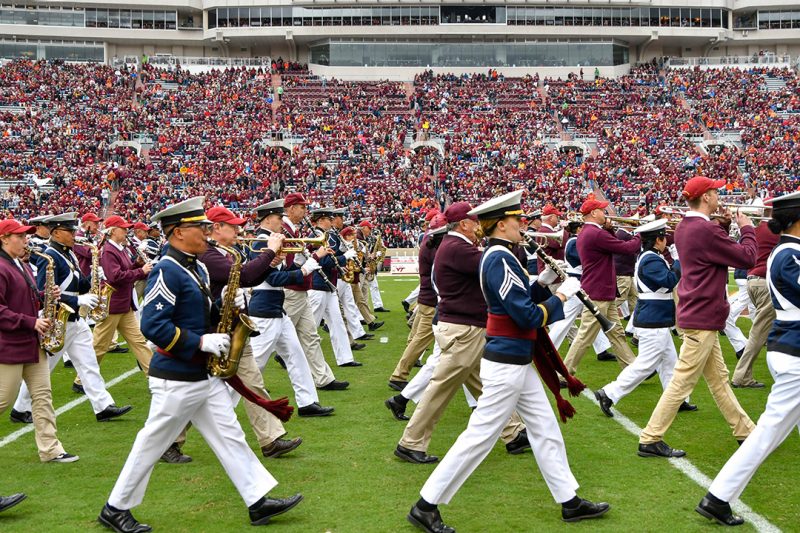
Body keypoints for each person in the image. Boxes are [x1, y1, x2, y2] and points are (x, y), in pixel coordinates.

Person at [406, 191, 608, 533]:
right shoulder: (498, 257)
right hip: (507, 360)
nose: (523, 225)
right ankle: (426, 504)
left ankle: (569, 500)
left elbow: (519, 296)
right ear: (501, 224)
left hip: (516, 358)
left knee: (545, 428)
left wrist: (544, 283)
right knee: (480, 436)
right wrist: (562, 294)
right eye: (518, 220)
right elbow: (526, 315)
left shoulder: (500, 254)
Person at [100, 196, 303, 533]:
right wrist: (200, 342)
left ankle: (257, 500)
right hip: (177, 377)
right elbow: (152, 324)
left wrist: (225, 304)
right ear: (178, 232)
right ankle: (115, 507)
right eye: (201, 227)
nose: (208, 233)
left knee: (231, 436)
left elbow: (198, 313)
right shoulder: (168, 269)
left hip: (201, 375)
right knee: (151, 443)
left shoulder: (197, 266)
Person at [395, 202, 529, 465]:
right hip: (464, 330)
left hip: (466, 328)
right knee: (440, 389)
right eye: (476, 222)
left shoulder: (455, 246)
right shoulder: (457, 248)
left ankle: (514, 433)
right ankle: (410, 442)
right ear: (464, 224)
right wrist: (508, 241)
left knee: (486, 388)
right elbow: (495, 265)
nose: (479, 226)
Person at [696, 191, 800, 527]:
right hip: (795, 354)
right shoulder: (789, 255)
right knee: (767, 433)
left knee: (771, 430)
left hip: (790, 350)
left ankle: (718, 496)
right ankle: (718, 496)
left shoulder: (788, 252)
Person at [638, 176, 757, 458]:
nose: (719, 196)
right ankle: (650, 437)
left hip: (697, 313)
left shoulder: (684, 227)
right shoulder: (705, 230)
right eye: (715, 192)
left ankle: (746, 431)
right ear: (706, 197)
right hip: (703, 315)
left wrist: (724, 225)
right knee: (682, 381)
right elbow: (748, 258)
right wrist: (747, 228)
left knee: (719, 380)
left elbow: (711, 249)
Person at [200, 205, 305, 457]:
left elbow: (248, 279)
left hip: (234, 326)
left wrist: (271, 263)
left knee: (253, 383)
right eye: (233, 226)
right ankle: (171, 440)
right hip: (214, 330)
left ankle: (270, 439)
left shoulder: (226, 251)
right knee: (192, 394)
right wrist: (269, 251)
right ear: (217, 228)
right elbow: (244, 273)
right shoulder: (209, 254)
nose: (239, 230)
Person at [13, 212, 132, 423]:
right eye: (70, 231)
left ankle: (103, 405)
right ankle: (20, 408)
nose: (74, 234)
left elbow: (78, 281)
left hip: (75, 321)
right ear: (57, 233)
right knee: (43, 367)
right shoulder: (50, 256)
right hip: (58, 320)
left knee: (89, 364)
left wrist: (95, 281)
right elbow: (44, 292)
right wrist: (78, 300)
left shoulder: (68, 253)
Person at [594, 219, 696, 416]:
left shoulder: (650, 256)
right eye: (663, 237)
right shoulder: (651, 259)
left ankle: (678, 398)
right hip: (653, 319)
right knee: (645, 365)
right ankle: (608, 393)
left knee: (670, 363)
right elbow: (668, 281)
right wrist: (678, 261)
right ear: (657, 240)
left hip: (657, 318)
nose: (666, 241)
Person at [0, 218, 79, 464]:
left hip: (32, 343)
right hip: (10, 347)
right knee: (3, 401)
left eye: (26, 236)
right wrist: (30, 321)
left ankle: (51, 449)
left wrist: (45, 295)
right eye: (20, 236)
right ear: (4, 239)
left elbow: (24, 297)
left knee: (43, 396)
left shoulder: (19, 264)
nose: (26, 241)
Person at [247, 200, 335, 417]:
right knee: (254, 364)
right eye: (279, 218)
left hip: (276, 307)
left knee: (296, 356)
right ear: (268, 219)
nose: (281, 221)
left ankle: (307, 403)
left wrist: (306, 263)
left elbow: (278, 272)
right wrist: (305, 270)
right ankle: (224, 404)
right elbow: (274, 279)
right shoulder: (260, 242)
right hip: (265, 308)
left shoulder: (270, 240)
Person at [563, 195, 640, 375]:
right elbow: (627, 248)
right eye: (602, 210)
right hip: (599, 291)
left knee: (616, 333)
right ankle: (565, 372)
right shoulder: (595, 233)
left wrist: (611, 229)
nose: (605, 213)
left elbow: (610, 245)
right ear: (594, 213)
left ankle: (632, 368)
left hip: (603, 290)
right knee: (585, 336)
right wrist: (640, 234)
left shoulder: (591, 232)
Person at [281, 192, 349, 391]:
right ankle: (248, 378)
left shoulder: (293, 230)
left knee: (311, 336)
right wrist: (315, 257)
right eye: (302, 208)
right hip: (291, 290)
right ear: (292, 208)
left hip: (301, 289)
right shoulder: (285, 230)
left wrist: (312, 257)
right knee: (267, 342)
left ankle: (323, 378)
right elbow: (290, 263)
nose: (305, 212)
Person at [306, 208, 362, 367]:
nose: (332, 222)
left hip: (327, 285)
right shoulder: (315, 237)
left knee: (337, 323)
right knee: (311, 326)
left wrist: (340, 266)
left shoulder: (325, 236)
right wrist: (344, 257)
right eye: (329, 219)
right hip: (317, 285)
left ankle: (345, 358)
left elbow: (329, 261)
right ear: (320, 220)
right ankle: (284, 355)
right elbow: (322, 262)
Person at [732, 203, 779, 388]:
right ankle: (741, 376)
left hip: (753, 280)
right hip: (765, 282)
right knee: (759, 333)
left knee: (772, 329)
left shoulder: (755, 230)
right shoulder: (775, 231)